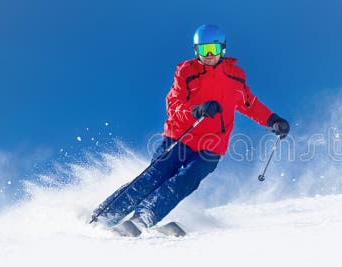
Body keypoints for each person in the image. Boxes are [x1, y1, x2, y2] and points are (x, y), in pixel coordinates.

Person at [91, 24, 290, 236]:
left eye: (214, 49)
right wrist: (195, 110)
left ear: (223, 49)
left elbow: (249, 104)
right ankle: (105, 216)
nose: (210, 55)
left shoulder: (236, 76)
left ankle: (144, 217)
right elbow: (173, 103)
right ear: (196, 51)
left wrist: (273, 119)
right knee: (155, 175)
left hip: (212, 146)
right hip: (180, 136)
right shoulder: (187, 71)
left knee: (186, 181)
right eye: (204, 50)